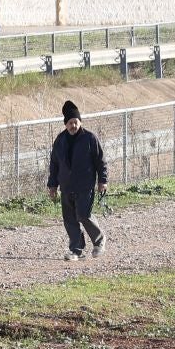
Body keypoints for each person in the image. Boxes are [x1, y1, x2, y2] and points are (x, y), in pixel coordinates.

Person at [47, 99, 107, 260]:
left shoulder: (90, 139)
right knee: (69, 219)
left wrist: (102, 181)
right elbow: (54, 164)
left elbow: (100, 161)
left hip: (84, 186)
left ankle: (99, 241)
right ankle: (76, 250)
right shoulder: (60, 141)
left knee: (83, 215)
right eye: (70, 123)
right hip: (66, 187)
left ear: (80, 122)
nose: (73, 125)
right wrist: (52, 185)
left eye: (76, 122)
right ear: (65, 124)